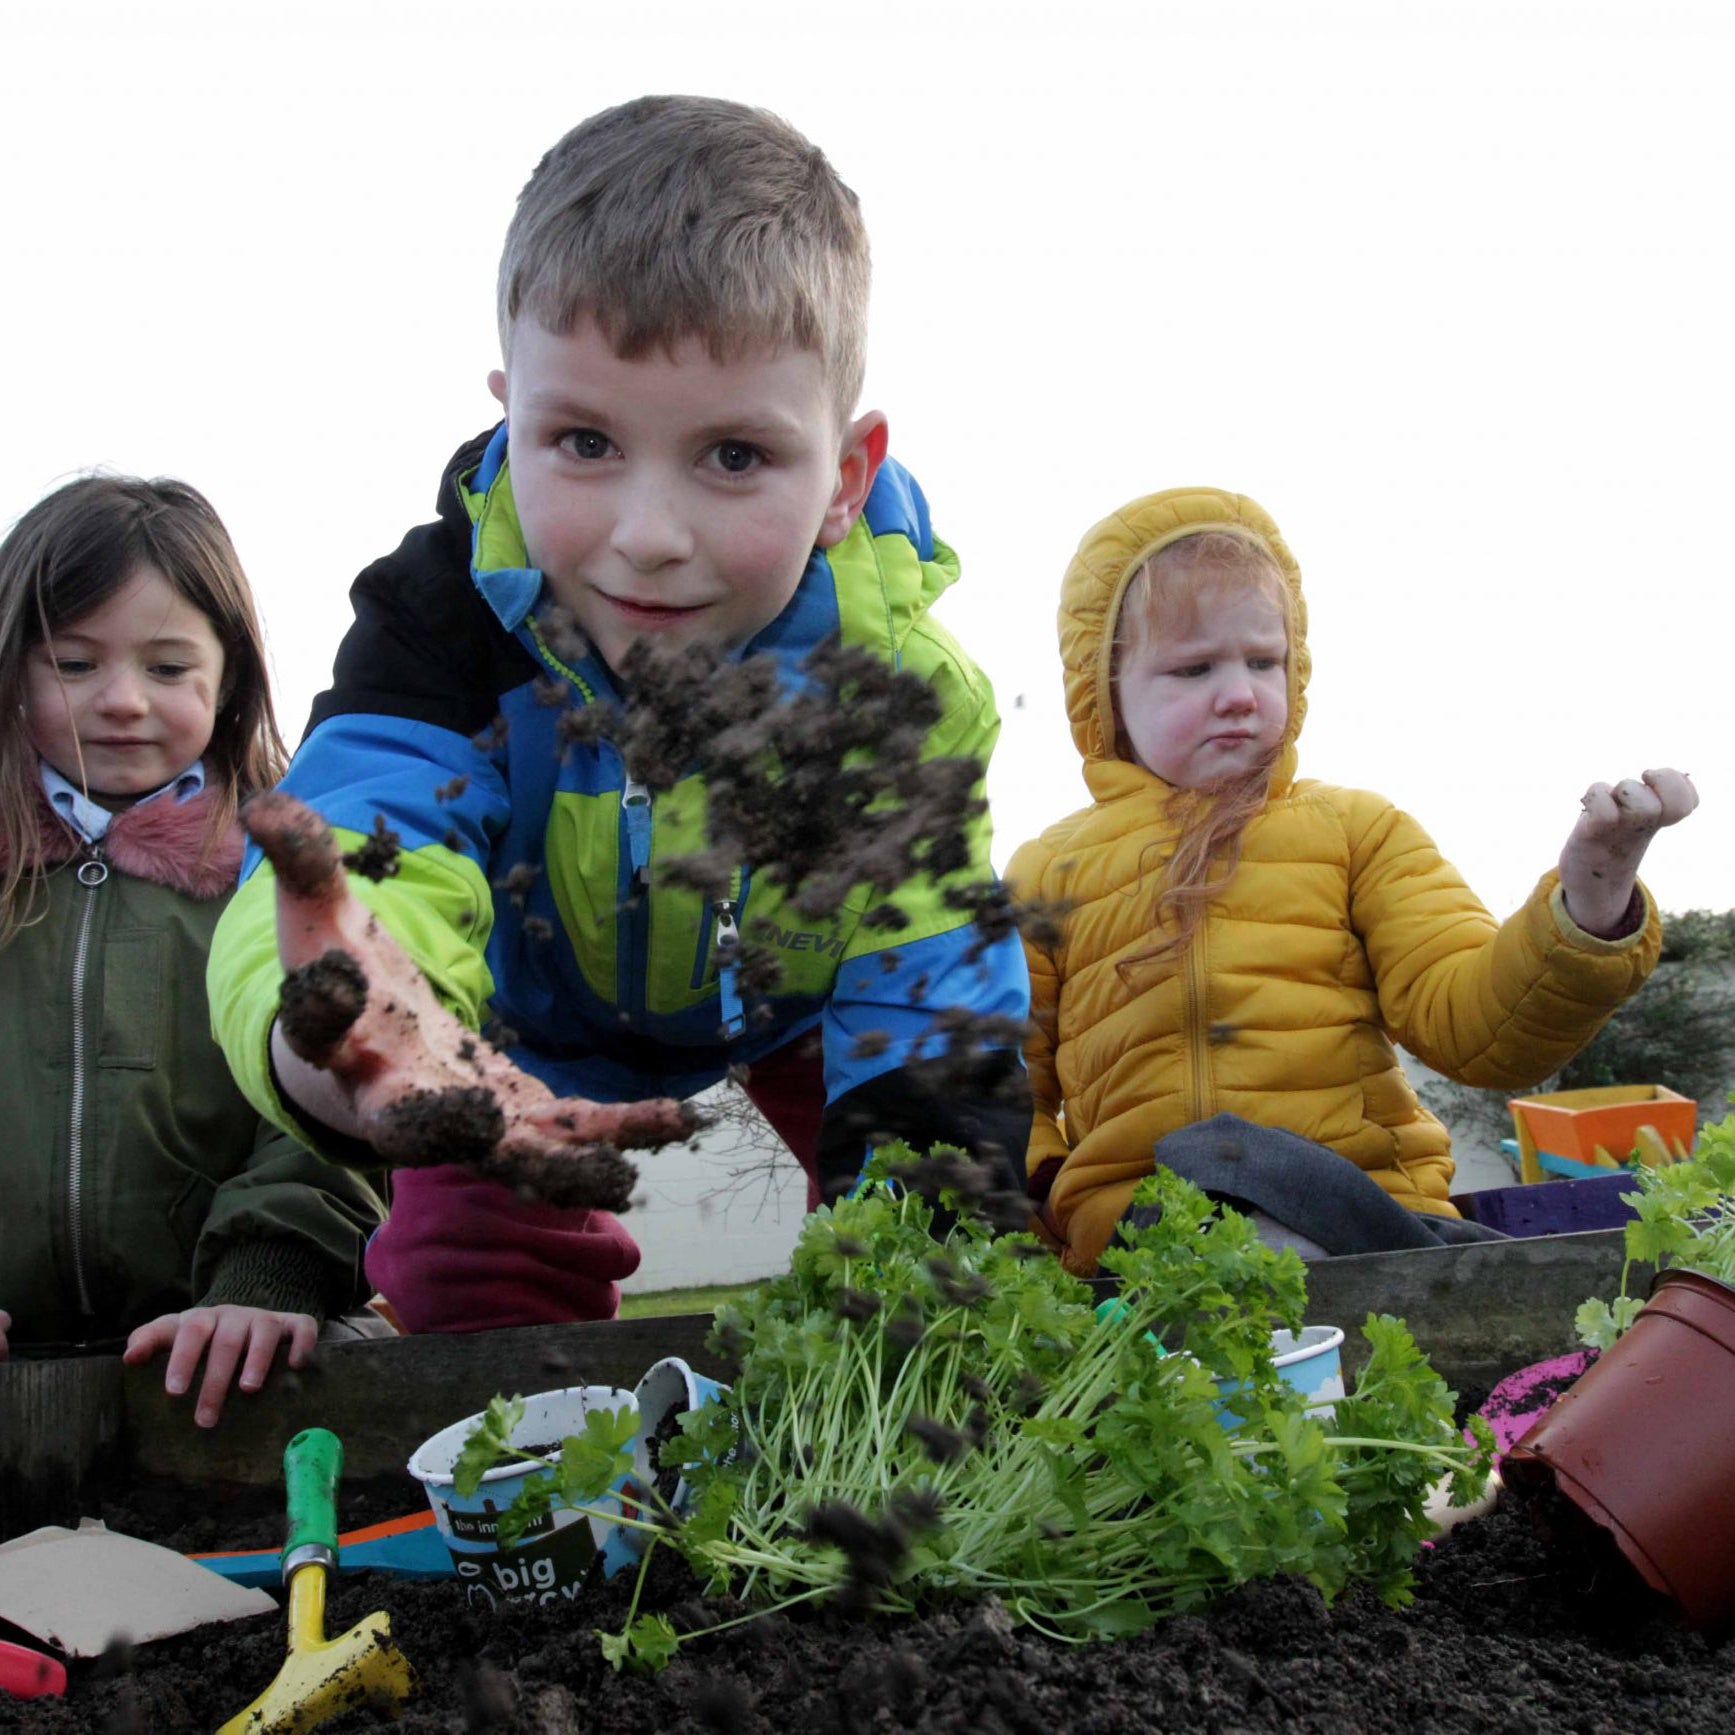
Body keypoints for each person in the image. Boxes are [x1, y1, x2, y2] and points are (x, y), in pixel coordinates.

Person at [207, 95, 1031, 1333]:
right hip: (516, 1015)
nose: (649, 538)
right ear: (510, 414)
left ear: (844, 480)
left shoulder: (899, 695)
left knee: (926, 1262)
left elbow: (923, 988)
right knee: (462, 1280)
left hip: (792, 1006)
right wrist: (355, 1027)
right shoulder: (442, 621)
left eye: (734, 457)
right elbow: (368, 835)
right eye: (583, 441)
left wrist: (927, 1270)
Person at [1006, 486, 1695, 1276]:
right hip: (1148, 1252)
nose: (1239, 693)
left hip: (1365, 1226)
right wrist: (1049, 1192)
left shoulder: (1355, 830)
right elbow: (999, 1088)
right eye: (1193, 668)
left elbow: (1474, 1025)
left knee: (1242, 1163)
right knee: (1207, 1163)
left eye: (1262, 661)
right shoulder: (1044, 872)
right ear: (1106, 697)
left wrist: (1587, 904)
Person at [0, 475, 387, 1424]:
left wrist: (268, 1274)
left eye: (168, 669)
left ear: (232, 682)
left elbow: (335, 1104)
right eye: (75, 662)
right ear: (13, 670)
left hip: (227, 1370)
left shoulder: (290, 885)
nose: (124, 701)